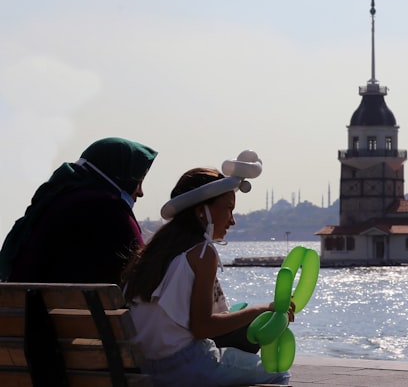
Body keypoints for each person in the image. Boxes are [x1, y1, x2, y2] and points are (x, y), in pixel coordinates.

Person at [122, 152, 292, 387]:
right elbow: (202, 327)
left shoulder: (155, 250)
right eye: (229, 209)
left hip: (147, 367)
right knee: (278, 372)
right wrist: (263, 309)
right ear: (202, 210)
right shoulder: (202, 253)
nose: (232, 220)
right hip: (187, 366)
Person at [0, 137, 157, 283]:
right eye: (138, 182)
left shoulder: (55, 200)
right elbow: (141, 277)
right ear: (119, 174)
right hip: (85, 312)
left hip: (34, 309)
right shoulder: (109, 208)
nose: (140, 192)